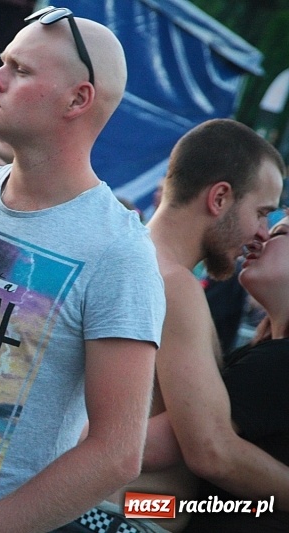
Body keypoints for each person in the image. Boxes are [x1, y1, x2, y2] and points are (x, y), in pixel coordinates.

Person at [0, 6, 166, 532]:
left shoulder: (118, 251)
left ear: (78, 99)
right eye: (2, 63)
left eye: (21, 69)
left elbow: (116, 453)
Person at [62, 119, 289, 533]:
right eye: (262, 213)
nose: (261, 234)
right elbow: (211, 450)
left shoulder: (128, 262)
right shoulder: (173, 285)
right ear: (220, 198)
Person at [184, 212, 289, 532]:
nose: (260, 238)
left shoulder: (279, 363)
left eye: (280, 232)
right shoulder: (269, 356)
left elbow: (206, 452)